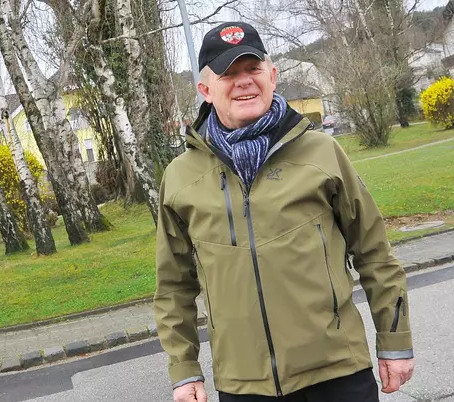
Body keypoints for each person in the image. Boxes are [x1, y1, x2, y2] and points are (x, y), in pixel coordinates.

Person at [154, 21, 415, 402]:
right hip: (244, 385)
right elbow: (173, 286)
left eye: (253, 68)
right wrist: (183, 370)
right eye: (229, 73)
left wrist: (395, 342)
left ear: (272, 76)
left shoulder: (321, 153)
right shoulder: (180, 177)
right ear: (206, 90)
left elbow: (374, 252)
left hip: (338, 372)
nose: (244, 81)